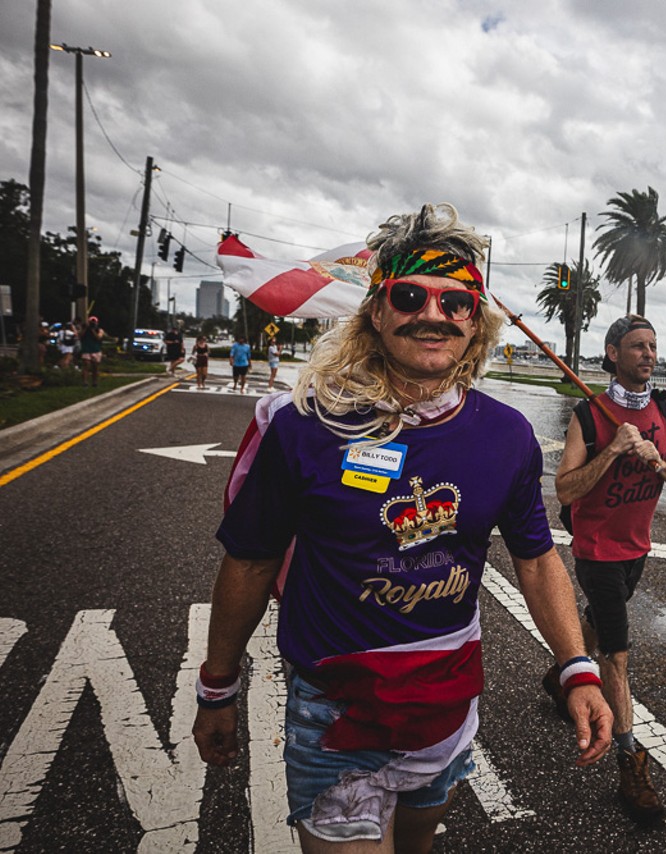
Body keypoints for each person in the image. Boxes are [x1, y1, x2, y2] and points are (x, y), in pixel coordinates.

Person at [192, 202, 612, 852]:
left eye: (456, 302)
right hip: (336, 712)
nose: (433, 314)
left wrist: (576, 667)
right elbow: (249, 560)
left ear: (477, 322)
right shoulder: (306, 426)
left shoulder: (506, 437)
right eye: (411, 295)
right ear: (379, 312)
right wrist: (217, 684)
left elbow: (535, 558)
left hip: (447, 711)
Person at [549, 314, 666, 821]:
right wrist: (613, 447)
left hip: (637, 548)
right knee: (617, 656)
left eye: (653, 346)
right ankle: (630, 763)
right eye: (637, 346)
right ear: (613, 353)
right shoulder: (589, 416)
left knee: (598, 622)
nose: (649, 354)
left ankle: (561, 675)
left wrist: (659, 463)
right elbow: (564, 490)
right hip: (596, 551)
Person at [79, 316, 106, 387]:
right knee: (86, 365)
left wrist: (93, 330)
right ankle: (85, 382)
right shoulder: (84, 330)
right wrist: (86, 328)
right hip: (86, 350)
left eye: (94, 322)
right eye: (91, 322)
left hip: (96, 350)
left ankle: (95, 382)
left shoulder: (99, 330)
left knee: (95, 367)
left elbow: (98, 337)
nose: (93, 324)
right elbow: (80, 336)